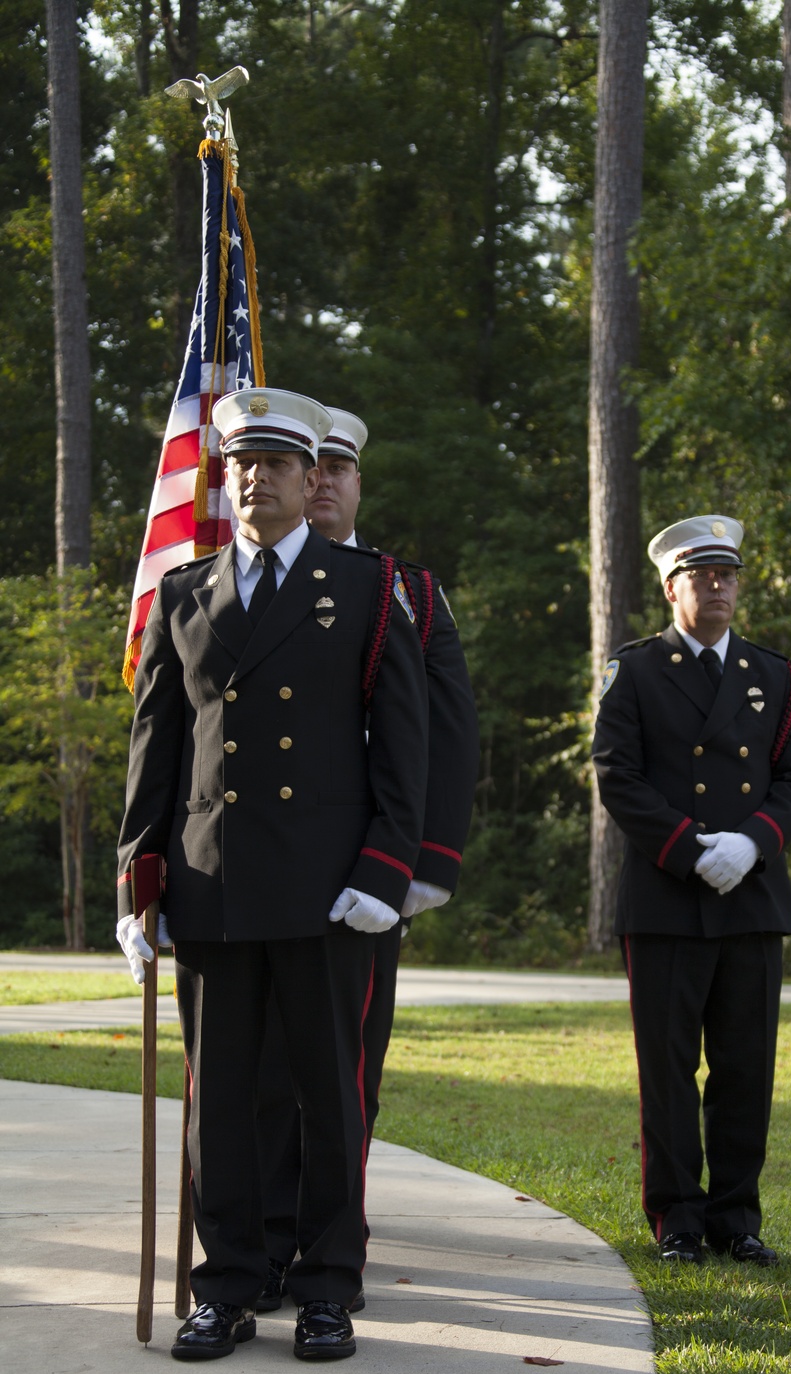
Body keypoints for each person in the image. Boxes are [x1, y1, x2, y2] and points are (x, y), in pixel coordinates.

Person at [116, 388, 429, 1362]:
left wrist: (386, 869)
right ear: (228, 479)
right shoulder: (185, 594)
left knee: (327, 1095)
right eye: (241, 465)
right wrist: (141, 886)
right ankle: (229, 1285)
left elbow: (404, 749)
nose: (256, 479)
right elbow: (155, 755)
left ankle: (328, 1284)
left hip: (327, 889)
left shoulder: (371, 589)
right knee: (223, 1104)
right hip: (215, 886)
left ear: (311, 479)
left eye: (278, 465)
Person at [255, 405, 479, 1313]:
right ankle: (263, 1239)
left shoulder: (409, 593)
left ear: (357, 484)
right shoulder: (245, 585)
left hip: (363, 875)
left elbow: (448, 737)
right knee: (256, 1064)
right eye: (312, 470)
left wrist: (422, 864)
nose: (322, 484)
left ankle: (327, 1238)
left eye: (338, 470)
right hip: (259, 867)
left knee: (344, 1065)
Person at [592, 515, 791, 1267]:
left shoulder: (772, 675)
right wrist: (691, 849)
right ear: (670, 587)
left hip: (752, 895)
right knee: (668, 1068)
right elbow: (616, 775)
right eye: (701, 575)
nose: (717, 586)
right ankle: (678, 1219)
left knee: (746, 1067)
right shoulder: (636, 669)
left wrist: (753, 840)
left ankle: (737, 1218)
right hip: (665, 897)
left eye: (727, 575)